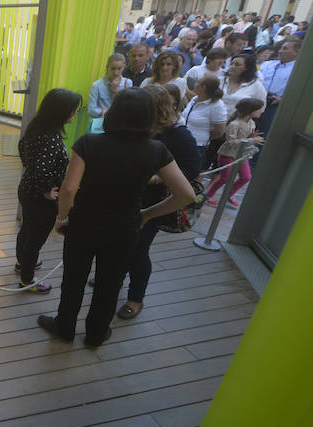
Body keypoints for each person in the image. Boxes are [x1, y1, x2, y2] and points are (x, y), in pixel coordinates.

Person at [36, 89, 194, 346]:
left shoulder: (88, 143)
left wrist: (62, 218)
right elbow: (186, 194)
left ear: (115, 111)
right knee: (110, 284)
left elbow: (69, 189)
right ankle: (96, 334)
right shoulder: (157, 149)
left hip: (84, 223)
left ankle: (65, 327)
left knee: (74, 279)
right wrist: (147, 214)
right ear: (148, 116)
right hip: (125, 227)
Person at [117, 84, 201, 319]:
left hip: (152, 202)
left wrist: (157, 178)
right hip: (130, 197)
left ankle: (135, 298)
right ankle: (118, 277)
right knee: (124, 244)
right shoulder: (141, 128)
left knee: (138, 250)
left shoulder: (178, 134)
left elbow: (192, 169)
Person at [15, 89, 83, 294]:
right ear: (60, 112)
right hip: (40, 199)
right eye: (72, 110)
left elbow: (22, 148)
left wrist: (30, 169)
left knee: (27, 229)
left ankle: (22, 263)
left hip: (27, 189)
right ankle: (27, 280)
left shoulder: (36, 129)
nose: (74, 113)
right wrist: (47, 191)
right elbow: (42, 171)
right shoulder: (51, 139)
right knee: (35, 239)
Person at [205, 98, 265, 209]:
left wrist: (251, 137)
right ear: (250, 110)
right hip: (228, 155)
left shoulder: (251, 123)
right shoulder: (234, 124)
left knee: (246, 177)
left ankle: (228, 196)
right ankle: (207, 196)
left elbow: (244, 138)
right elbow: (231, 142)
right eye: (259, 109)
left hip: (241, 155)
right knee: (225, 178)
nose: (261, 111)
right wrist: (251, 140)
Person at [256, 37, 301, 137]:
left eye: (285, 49)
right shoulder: (267, 64)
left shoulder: (298, 70)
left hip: (274, 107)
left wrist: (283, 100)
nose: (280, 51)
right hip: (257, 102)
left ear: (296, 52)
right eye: (281, 48)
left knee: (262, 136)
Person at [181, 74, 228, 165]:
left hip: (197, 146)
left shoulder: (217, 106)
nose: (195, 84)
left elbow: (219, 132)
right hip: (182, 141)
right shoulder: (195, 99)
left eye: (197, 82)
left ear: (203, 87)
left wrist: (204, 137)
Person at [221, 53, 267, 118]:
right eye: (231, 64)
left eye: (237, 65)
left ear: (248, 68)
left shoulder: (256, 86)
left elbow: (260, 108)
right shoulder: (220, 80)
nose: (232, 67)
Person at [88, 53, 132, 118]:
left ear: (123, 67)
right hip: (102, 121)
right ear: (107, 67)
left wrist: (116, 93)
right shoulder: (97, 85)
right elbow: (91, 110)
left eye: (119, 69)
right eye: (113, 68)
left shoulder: (128, 83)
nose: (116, 72)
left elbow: (128, 107)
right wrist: (111, 112)